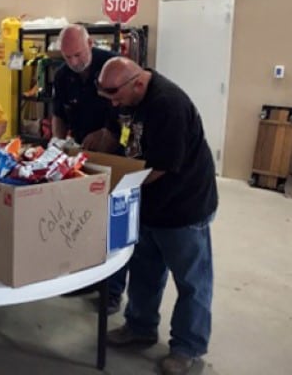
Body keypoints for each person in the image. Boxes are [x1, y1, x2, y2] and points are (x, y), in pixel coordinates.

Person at [98, 57, 218, 375]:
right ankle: (139, 327)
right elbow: (113, 132)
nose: (112, 102)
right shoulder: (120, 93)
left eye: (115, 95)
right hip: (147, 202)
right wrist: (92, 155)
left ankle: (187, 347)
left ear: (138, 83)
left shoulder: (170, 105)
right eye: (107, 95)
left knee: (192, 280)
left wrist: (114, 184)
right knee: (144, 268)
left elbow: (160, 167)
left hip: (184, 204)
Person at [53, 24, 126, 314]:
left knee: (113, 222)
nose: (73, 62)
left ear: (91, 43)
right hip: (81, 153)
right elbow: (58, 113)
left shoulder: (114, 67)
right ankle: (87, 278)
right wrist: (57, 143)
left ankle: (114, 291)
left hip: (115, 151)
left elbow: (130, 110)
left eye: (78, 54)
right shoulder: (62, 75)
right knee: (84, 219)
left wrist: (110, 133)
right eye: (67, 56)